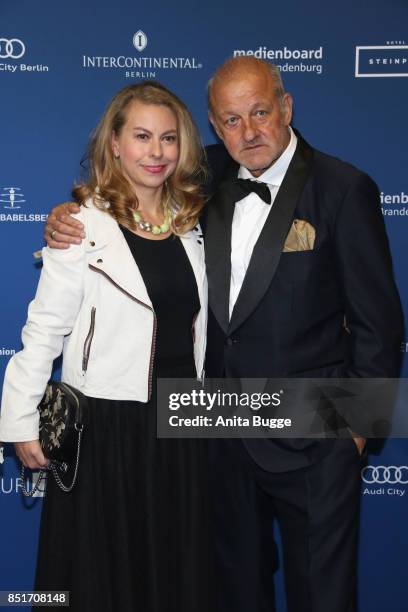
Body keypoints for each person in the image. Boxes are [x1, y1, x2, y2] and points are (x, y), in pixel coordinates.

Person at [43, 57, 404, 612]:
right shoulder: (199, 179)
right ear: (214, 125)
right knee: (231, 593)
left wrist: (352, 436)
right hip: (216, 430)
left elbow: (380, 325)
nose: (249, 131)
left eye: (260, 112)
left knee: (323, 596)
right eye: (231, 120)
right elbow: (130, 204)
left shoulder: (344, 188)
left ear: (286, 107)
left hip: (314, 429)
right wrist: (71, 214)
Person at [0, 81, 214, 612]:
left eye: (168, 138)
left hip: (184, 426)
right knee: (97, 577)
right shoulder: (81, 226)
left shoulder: (195, 227)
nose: (157, 151)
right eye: (142, 136)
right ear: (114, 144)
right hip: (105, 428)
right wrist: (20, 420)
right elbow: (43, 329)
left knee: (174, 572)